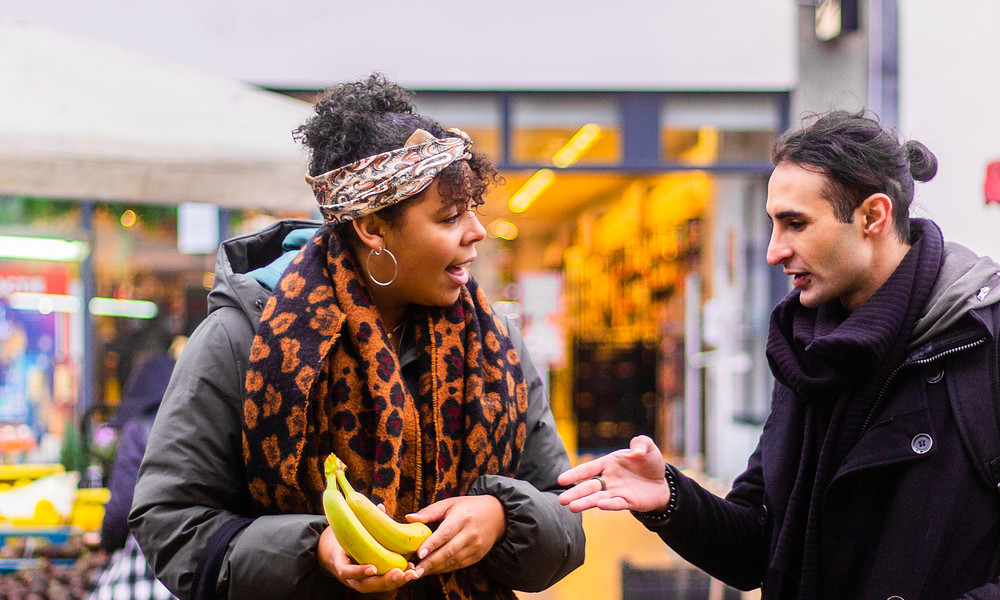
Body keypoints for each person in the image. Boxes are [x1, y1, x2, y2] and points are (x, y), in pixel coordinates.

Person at [129, 74, 584, 600]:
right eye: (449, 215)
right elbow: (170, 522)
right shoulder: (243, 340)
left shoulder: (496, 344)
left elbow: (567, 519)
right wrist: (313, 549)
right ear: (373, 228)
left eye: (472, 209)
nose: (476, 230)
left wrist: (502, 516)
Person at [558, 109, 1000, 599]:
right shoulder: (806, 352)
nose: (774, 251)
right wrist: (671, 499)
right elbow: (756, 546)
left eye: (795, 224)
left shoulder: (981, 340)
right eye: (773, 223)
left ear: (873, 216)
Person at [88, 332, 179, 600]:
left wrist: (107, 541)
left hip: (150, 569)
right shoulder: (203, 421)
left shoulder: (139, 428)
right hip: (198, 566)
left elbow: (122, 507)